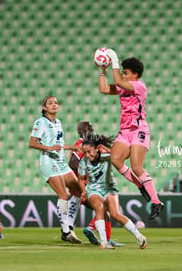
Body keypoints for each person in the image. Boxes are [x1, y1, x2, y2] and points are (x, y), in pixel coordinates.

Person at [99, 49, 164, 219]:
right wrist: (103, 72)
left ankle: (156, 202)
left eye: (126, 72)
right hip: (125, 131)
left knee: (136, 166)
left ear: (135, 75)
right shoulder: (123, 87)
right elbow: (104, 88)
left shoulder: (139, 86)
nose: (123, 75)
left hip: (139, 130)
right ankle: (140, 185)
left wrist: (113, 59)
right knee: (115, 159)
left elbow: (118, 82)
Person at [78, 133, 147, 249]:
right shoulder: (83, 162)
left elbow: (126, 156)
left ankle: (140, 237)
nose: (87, 155)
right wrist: (83, 191)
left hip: (110, 188)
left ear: (96, 149)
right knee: (99, 208)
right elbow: (80, 179)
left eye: (89, 151)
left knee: (115, 214)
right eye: (84, 152)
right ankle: (104, 243)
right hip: (93, 189)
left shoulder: (107, 156)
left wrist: (109, 150)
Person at [29, 95, 82, 244]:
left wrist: (72, 147)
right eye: (50, 103)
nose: (54, 105)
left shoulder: (58, 122)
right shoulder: (40, 122)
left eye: (56, 103)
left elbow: (59, 144)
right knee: (63, 195)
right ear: (44, 108)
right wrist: (49, 148)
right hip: (48, 161)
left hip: (60, 162)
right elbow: (32, 143)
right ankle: (66, 231)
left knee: (78, 191)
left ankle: (69, 224)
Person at [68, 121, 124, 247]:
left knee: (105, 210)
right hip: (86, 186)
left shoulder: (88, 144)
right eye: (89, 128)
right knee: (105, 208)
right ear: (82, 131)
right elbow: (72, 163)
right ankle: (91, 228)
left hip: (88, 185)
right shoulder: (81, 144)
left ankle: (105, 237)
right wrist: (89, 170)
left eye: (91, 127)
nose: (91, 129)